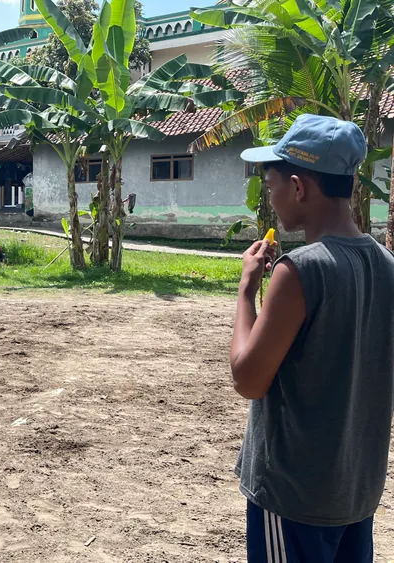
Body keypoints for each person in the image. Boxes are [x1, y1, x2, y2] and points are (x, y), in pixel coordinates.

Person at [232, 114, 394, 563]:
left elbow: (248, 378)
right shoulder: (387, 265)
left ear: (299, 187)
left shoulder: (300, 269)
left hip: (294, 497)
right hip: (354, 492)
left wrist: (247, 290)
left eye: (272, 184)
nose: (271, 195)